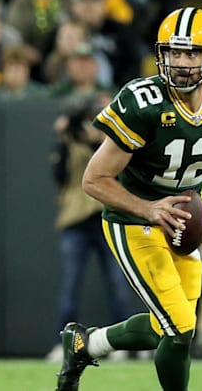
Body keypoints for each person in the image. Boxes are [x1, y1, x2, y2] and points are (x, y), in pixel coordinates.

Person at [55, 7, 202, 391]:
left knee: (175, 325)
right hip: (133, 219)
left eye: (191, 53)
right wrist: (149, 209)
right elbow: (94, 179)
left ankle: (85, 344)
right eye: (174, 52)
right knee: (178, 327)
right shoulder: (143, 102)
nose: (180, 62)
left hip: (181, 223)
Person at [45, 98, 132, 363]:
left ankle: (122, 344)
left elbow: (118, 170)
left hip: (107, 217)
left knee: (118, 283)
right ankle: (65, 342)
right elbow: (59, 175)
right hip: (76, 221)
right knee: (71, 284)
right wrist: (65, 139)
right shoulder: (67, 143)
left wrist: (95, 139)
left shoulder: (110, 141)